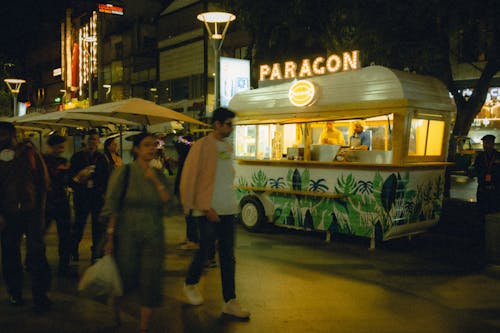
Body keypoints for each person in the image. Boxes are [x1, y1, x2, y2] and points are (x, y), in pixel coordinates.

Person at [180, 107, 250, 319]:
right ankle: (190, 283)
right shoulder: (201, 146)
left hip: (228, 209)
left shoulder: (227, 147)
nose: (231, 128)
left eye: (232, 124)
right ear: (217, 124)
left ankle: (230, 301)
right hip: (207, 210)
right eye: (228, 124)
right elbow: (190, 178)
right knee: (206, 250)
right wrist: (203, 207)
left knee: (228, 256)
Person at [102, 132, 171, 333]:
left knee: (151, 280)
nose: (151, 148)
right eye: (147, 145)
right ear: (136, 149)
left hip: (153, 235)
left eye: (154, 145)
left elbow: (169, 203)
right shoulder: (124, 173)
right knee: (124, 278)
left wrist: (156, 183)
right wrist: (109, 237)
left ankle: (144, 327)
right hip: (127, 235)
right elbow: (113, 205)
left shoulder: (158, 174)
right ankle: (115, 315)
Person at [0, 122, 52, 312]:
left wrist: (40, 211)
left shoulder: (29, 152)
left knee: (36, 253)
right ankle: (15, 292)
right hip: (8, 214)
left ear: (13, 136)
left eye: (5, 135)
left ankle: (40, 295)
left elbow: (43, 183)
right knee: (10, 254)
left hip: (32, 212)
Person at [69, 129, 108, 262]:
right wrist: (80, 177)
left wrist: (102, 191)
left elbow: (106, 177)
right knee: (79, 225)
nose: (92, 142)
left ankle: (96, 253)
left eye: (95, 139)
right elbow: (71, 178)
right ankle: (73, 249)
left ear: (98, 142)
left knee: (98, 227)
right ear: (85, 141)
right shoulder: (77, 157)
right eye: (90, 139)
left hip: (97, 197)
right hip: (81, 196)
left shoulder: (101, 158)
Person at [43, 134, 75, 277]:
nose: (62, 149)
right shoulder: (43, 160)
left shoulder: (64, 161)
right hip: (47, 203)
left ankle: (64, 266)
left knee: (65, 235)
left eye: (63, 146)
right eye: (59, 146)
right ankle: (36, 263)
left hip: (62, 201)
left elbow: (67, 181)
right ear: (52, 146)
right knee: (40, 234)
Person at [175, 134, 199, 251]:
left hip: (188, 186)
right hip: (187, 185)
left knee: (189, 213)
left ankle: (192, 239)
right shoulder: (191, 153)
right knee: (189, 214)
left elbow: (178, 144)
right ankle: (190, 237)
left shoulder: (187, 153)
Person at [473, 134, 500, 216]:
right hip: (482, 187)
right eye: (484, 143)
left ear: (492, 144)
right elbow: (477, 169)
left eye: (487, 143)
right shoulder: (480, 156)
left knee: (494, 210)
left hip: (495, 187)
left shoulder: (498, 156)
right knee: (481, 209)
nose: (485, 145)